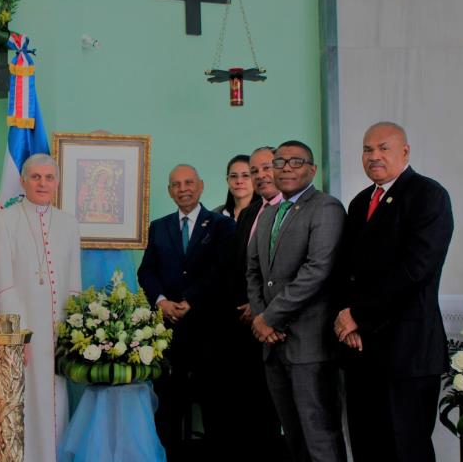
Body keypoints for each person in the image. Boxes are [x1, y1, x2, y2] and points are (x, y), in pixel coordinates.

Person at [333, 122, 453, 462]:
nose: (374, 156)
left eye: (383, 148)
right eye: (367, 150)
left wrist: (359, 315)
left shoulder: (428, 195)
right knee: (368, 446)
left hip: (407, 351)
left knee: (406, 449)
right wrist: (345, 316)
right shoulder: (359, 203)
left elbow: (415, 269)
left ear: (405, 151)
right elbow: (344, 271)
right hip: (361, 350)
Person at [0, 153, 82, 462]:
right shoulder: (2, 220)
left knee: (54, 402)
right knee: (18, 405)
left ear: (57, 182)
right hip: (18, 335)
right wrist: (17, 336)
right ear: (22, 181)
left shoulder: (68, 223)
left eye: (49, 178)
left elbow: (74, 282)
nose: (42, 183)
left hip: (57, 334)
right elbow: (0, 283)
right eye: (35, 177)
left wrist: (71, 332)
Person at [247, 140, 346, 462]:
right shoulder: (268, 213)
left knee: (319, 436)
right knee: (293, 437)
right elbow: (254, 273)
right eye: (280, 162)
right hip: (272, 345)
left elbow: (317, 271)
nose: (286, 167)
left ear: (312, 169)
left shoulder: (327, 207)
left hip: (310, 346)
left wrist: (268, 318)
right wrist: (261, 320)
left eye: (296, 161)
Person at [137, 164, 235, 460]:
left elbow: (222, 270)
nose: (183, 189)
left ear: (201, 186)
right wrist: (162, 301)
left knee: (212, 403)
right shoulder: (159, 226)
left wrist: (191, 300)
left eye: (189, 182)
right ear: (169, 191)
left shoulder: (220, 225)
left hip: (208, 330)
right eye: (176, 185)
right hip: (168, 333)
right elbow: (147, 272)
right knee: (169, 404)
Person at [213, 146, 287, 460]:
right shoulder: (249, 214)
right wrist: (243, 304)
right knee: (248, 404)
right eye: (252, 172)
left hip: (281, 326)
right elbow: (237, 268)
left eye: (263, 169)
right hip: (244, 326)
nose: (258, 177)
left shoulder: (295, 209)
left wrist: (261, 309)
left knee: (276, 409)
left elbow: (293, 270)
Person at [212, 154, 254, 220]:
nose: (239, 181)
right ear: (227, 180)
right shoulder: (215, 214)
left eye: (245, 175)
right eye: (233, 176)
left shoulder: (266, 213)